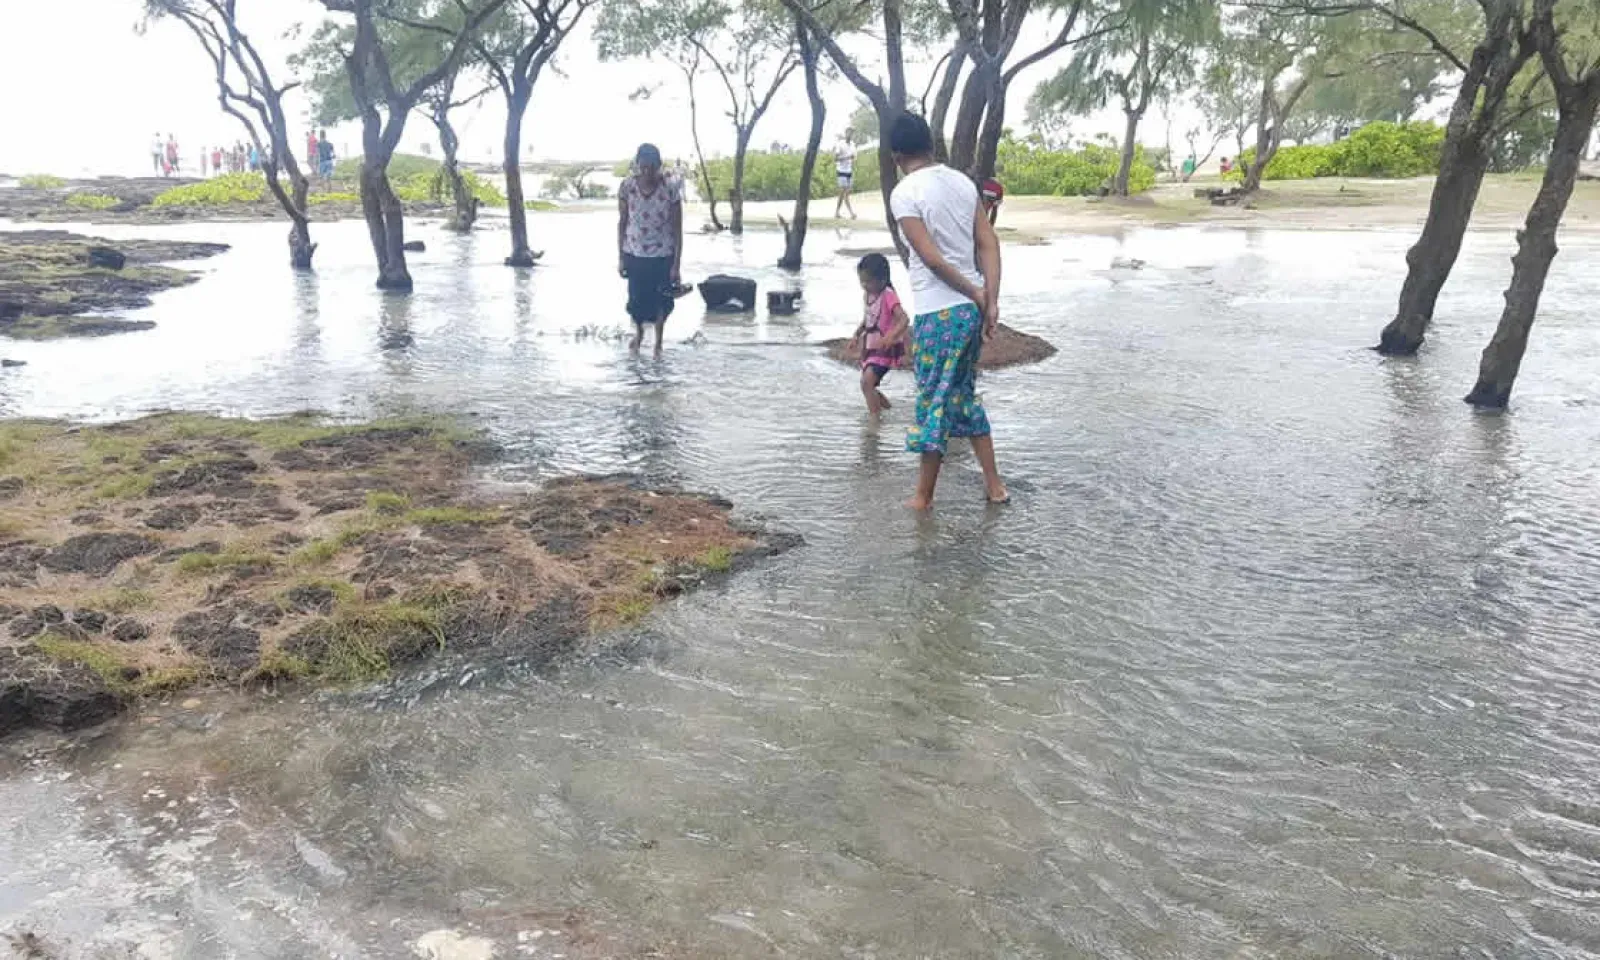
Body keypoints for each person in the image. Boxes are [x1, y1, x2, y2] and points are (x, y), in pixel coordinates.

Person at [887, 111, 1007, 510]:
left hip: (938, 312)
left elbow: (931, 258)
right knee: (963, 397)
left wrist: (976, 292)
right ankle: (995, 487)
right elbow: (988, 242)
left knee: (933, 399)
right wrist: (989, 298)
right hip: (969, 312)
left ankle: (923, 499)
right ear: (930, 145)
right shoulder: (962, 183)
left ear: (896, 155)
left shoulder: (905, 193)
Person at [617, 143, 684, 358]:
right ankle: (638, 334)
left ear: (659, 166)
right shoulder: (627, 187)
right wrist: (621, 257)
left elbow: (677, 229)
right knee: (637, 301)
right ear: (637, 165)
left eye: (652, 167)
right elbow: (622, 222)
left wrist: (676, 265)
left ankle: (658, 343)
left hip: (663, 253)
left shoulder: (670, 188)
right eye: (643, 167)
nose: (647, 172)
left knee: (662, 301)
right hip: (634, 251)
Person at [849, 253, 909, 416]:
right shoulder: (868, 295)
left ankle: (875, 421)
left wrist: (891, 336)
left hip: (884, 349)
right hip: (870, 348)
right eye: (862, 281)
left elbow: (904, 319)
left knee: (866, 383)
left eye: (868, 281)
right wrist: (856, 334)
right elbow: (868, 319)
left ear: (882, 280)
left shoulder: (888, 295)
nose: (864, 285)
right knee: (868, 386)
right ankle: (888, 412)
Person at [835, 144, 857, 220]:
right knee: (844, 193)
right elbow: (836, 159)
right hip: (841, 171)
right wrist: (847, 157)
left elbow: (853, 159)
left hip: (849, 172)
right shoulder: (841, 144)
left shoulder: (853, 145)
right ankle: (851, 213)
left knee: (844, 194)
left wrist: (852, 159)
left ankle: (837, 212)